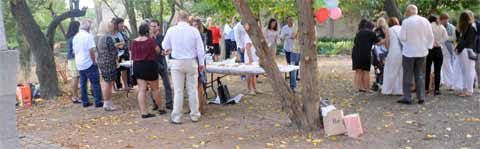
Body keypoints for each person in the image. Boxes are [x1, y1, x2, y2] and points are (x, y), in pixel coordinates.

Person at [162, 12, 205, 124]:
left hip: (176, 62)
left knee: (178, 91)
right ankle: (195, 115)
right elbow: (200, 49)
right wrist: (201, 63)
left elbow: (164, 45)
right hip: (191, 61)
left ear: (177, 19)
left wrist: (171, 48)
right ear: (188, 20)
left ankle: (176, 117)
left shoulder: (171, 30)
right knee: (192, 89)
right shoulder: (194, 30)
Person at [398, 5, 434, 105]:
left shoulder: (406, 22)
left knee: (407, 76)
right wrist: (427, 47)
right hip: (422, 52)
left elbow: (402, 37)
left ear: (409, 12)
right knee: (420, 75)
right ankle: (421, 97)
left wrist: (405, 44)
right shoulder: (425, 21)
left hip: (408, 52)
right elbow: (431, 36)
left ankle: (407, 97)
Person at [131, 23, 166, 118]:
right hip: (149, 65)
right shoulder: (150, 41)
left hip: (137, 65)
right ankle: (161, 108)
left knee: (141, 89)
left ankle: (144, 112)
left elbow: (132, 53)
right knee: (155, 89)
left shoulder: (134, 41)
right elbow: (158, 50)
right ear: (147, 31)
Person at [72, 19, 103, 108]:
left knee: (83, 84)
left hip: (80, 63)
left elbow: (74, 51)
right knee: (95, 83)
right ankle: (98, 102)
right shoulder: (88, 36)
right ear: (88, 28)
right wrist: (94, 61)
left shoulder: (75, 37)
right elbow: (91, 50)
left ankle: (85, 102)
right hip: (89, 63)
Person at [351, 19, 383, 95]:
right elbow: (378, 43)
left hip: (355, 53)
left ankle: (357, 90)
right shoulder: (371, 33)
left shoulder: (359, 32)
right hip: (365, 54)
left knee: (358, 72)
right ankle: (367, 90)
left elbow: (355, 43)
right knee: (366, 72)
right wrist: (385, 40)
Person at [149, 20, 173, 110]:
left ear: (158, 27)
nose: (153, 28)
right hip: (152, 64)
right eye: (151, 26)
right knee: (153, 85)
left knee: (167, 83)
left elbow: (167, 49)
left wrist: (166, 52)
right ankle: (155, 103)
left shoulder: (162, 37)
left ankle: (169, 103)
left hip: (162, 62)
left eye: (155, 26)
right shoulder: (148, 38)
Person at [453, 11, 477, 97]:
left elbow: (462, 41)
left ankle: (467, 90)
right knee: (468, 72)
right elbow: (468, 42)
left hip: (464, 51)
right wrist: (459, 49)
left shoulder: (465, 28)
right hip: (467, 51)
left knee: (465, 72)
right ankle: (467, 90)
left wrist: (458, 49)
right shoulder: (471, 28)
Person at [96, 21, 118, 111]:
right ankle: (107, 103)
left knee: (107, 82)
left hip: (101, 61)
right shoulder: (107, 38)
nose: (112, 28)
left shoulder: (97, 38)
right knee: (108, 83)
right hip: (109, 61)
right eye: (110, 26)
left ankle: (108, 102)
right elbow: (113, 51)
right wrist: (116, 59)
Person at [426, 15, 448, 96]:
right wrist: (438, 42)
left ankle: (426, 89)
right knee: (437, 71)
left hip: (430, 49)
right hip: (438, 50)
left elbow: (425, 37)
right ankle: (437, 90)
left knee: (427, 70)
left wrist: (431, 43)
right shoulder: (441, 26)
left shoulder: (428, 26)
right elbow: (446, 37)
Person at [381, 17, 403, 95]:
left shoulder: (389, 30)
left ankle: (388, 89)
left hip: (393, 52)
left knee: (390, 70)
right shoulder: (401, 28)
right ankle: (399, 90)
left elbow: (387, 44)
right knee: (400, 72)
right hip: (403, 52)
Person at [192, 19, 208, 113]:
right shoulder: (191, 35)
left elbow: (201, 50)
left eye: (196, 25)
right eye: (193, 25)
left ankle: (201, 107)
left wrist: (201, 63)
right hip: (192, 61)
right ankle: (194, 107)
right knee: (192, 86)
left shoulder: (202, 36)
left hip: (199, 61)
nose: (194, 27)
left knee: (199, 84)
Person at [111, 18, 131, 91]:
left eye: (122, 23)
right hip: (114, 55)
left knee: (124, 69)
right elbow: (111, 45)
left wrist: (119, 44)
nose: (122, 25)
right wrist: (118, 44)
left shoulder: (120, 33)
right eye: (120, 23)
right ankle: (114, 87)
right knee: (114, 71)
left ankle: (126, 85)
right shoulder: (110, 34)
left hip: (122, 53)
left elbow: (123, 42)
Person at [439, 13, 457, 90]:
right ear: (441, 20)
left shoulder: (452, 27)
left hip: (449, 49)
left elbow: (454, 38)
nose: (445, 21)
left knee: (448, 66)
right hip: (440, 48)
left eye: (447, 19)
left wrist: (445, 38)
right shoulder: (439, 26)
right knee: (441, 67)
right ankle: (443, 81)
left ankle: (452, 84)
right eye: (444, 19)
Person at [372, 18, 390, 92]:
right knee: (381, 67)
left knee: (380, 67)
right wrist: (383, 41)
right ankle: (381, 81)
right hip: (381, 51)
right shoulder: (383, 30)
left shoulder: (376, 30)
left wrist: (382, 41)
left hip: (379, 51)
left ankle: (380, 81)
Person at [242, 21, 260, 95]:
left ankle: (255, 88)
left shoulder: (254, 35)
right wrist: (250, 58)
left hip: (254, 56)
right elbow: (248, 47)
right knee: (249, 73)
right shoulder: (248, 35)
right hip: (249, 57)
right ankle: (249, 89)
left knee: (254, 73)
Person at [66, 21, 81, 104]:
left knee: (75, 77)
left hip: (71, 59)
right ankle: (75, 97)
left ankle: (76, 96)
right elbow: (74, 51)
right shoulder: (74, 38)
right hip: (73, 59)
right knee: (75, 77)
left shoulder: (69, 37)